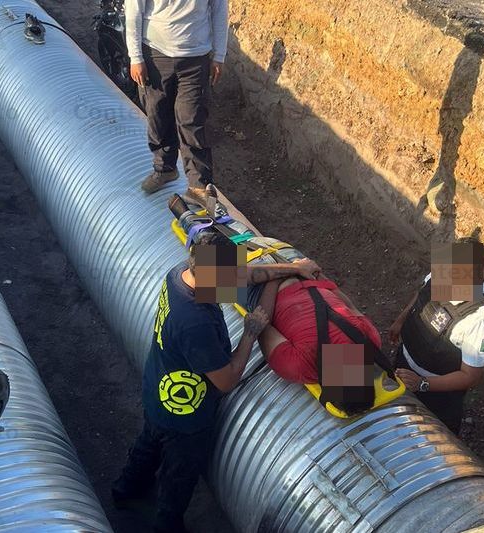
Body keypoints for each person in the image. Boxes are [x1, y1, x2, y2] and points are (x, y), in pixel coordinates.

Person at [111, 232, 320, 533]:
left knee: (149, 442)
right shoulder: (195, 322)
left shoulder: (181, 273)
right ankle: (166, 524)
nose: (233, 285)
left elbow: (245, 275)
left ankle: (125, 490)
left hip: (157, 389)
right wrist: (251, 332)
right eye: (227, 280)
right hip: (185, 415)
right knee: (179, 476)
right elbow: (227, 380)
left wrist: (292, 268)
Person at [387, 237, 484, 434]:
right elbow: (422, 294)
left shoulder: (482, 318)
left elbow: (471, 376)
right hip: (404, 366)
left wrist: (422, 384)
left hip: (436, 396)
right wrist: (401, 320)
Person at [125, 0, 228, 200]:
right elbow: (133, 11)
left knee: (192, 120)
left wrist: (220, 55)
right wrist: (135, 57)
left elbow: (219, 11)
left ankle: (199, 185)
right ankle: (165, 169)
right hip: (156, 54)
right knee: (158, 115)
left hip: (196, 58)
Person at [253, 275, 382, 384]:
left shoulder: (371, 343)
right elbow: (262, 325)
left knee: (236, 257)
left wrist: (315, 274)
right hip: (273, 284)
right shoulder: (299, 366)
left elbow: (348, 305)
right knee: (233, 284)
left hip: (303, 277)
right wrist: (278, 274)